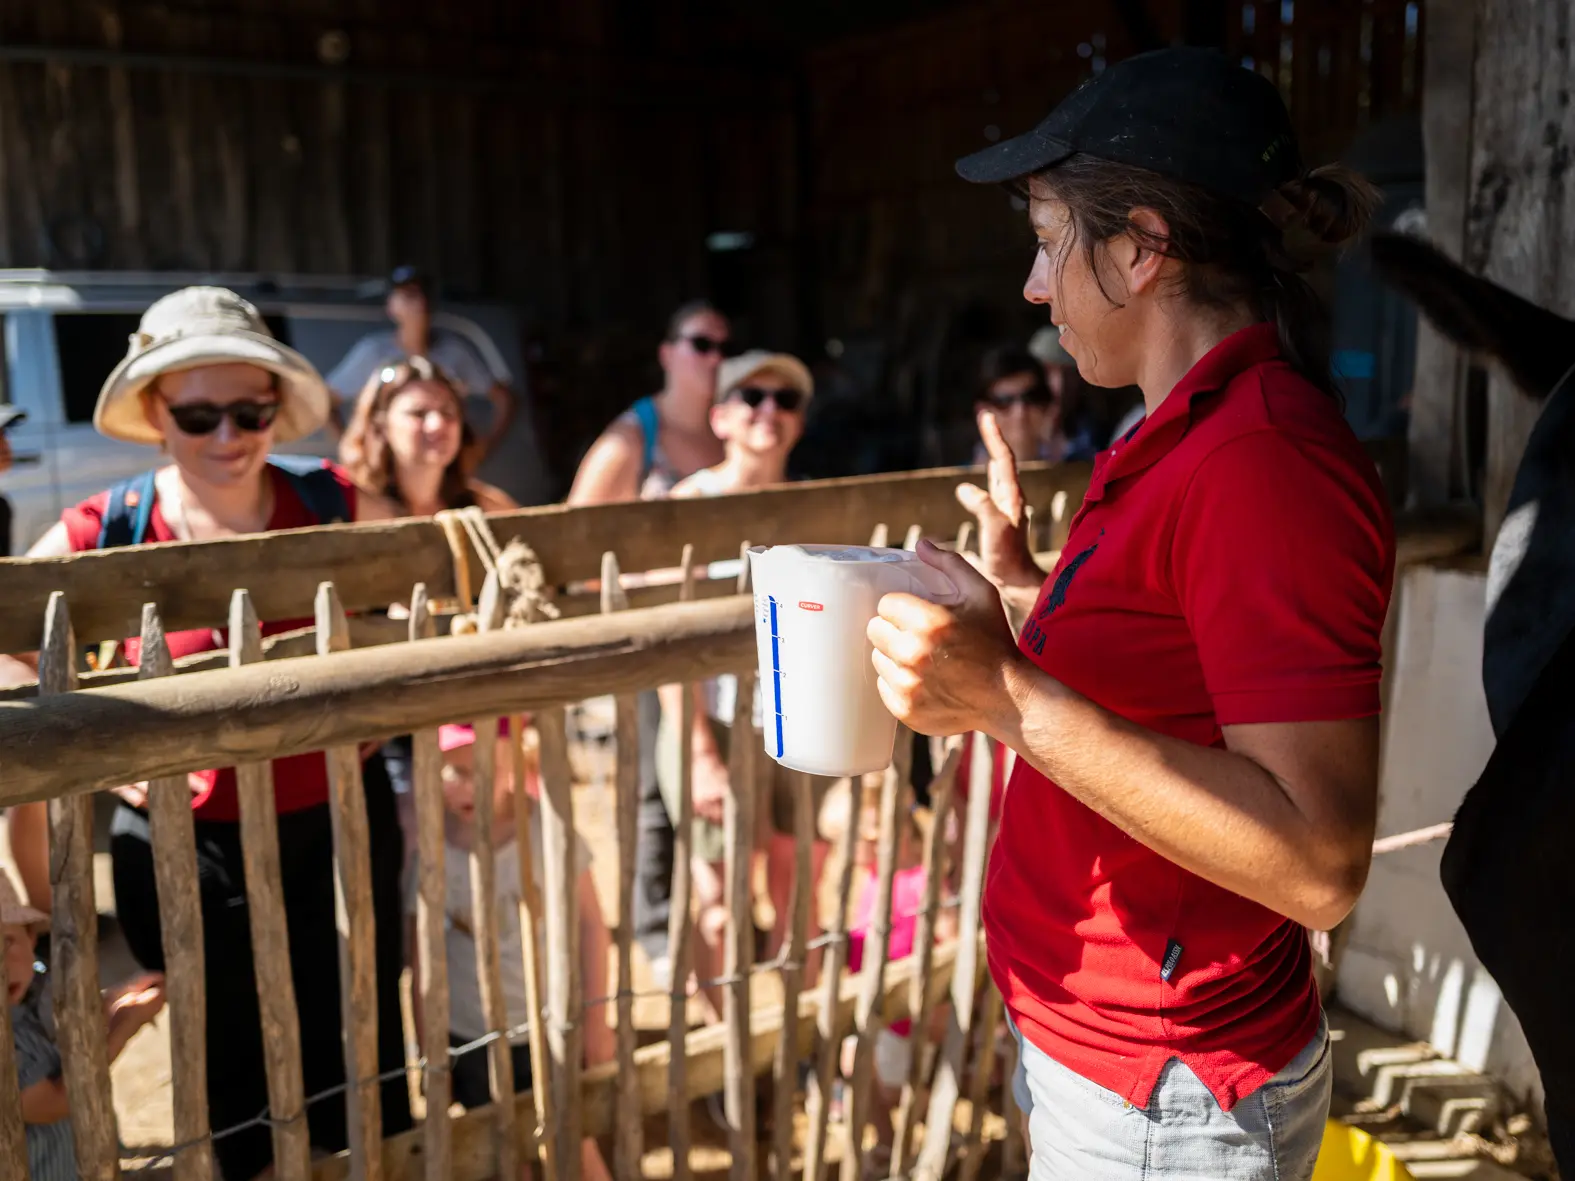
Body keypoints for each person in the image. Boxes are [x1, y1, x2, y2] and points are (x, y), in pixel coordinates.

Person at [867, 48, 1394, 1180]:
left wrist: (1005, 695)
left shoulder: (1261, 461)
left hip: (1170, 1098)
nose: (1033, 285)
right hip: (1118, 1063)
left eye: (1050, 238)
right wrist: (1022, 596)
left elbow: (1316, 863)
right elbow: (1177, 682)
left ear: (1143, 247)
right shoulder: (1182, 430)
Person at [0, 286, 412, 1181]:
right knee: (229, 1045)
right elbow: (5, 651)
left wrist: (389, 709)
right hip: (193, 843)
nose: (228, 436)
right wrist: (115, 766)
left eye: (249, 411)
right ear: (155, 414)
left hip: (340, 823)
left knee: (360, 1020)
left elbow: (430, 589)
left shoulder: (337, 500)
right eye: (198, 414)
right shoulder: (104, 528)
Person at [566, 301, 731, 981]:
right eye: (698, 342)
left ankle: (702, 914)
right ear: (667, 352)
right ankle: (654, 927)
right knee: (649, 790)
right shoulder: (631, 438)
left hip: (714, 637)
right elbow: (575, 536)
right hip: (650, 639)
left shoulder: (729, 430)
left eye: (723, 345)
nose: (712, 357)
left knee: (703, 774)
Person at [662, 350, 826, 1003]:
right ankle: (718, 1044)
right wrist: (698, 752)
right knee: (719, 896)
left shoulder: (814, 506)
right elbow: (667, 647)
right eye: (753, 397)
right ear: (720, 416)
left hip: (793, 719)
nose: (769, 412)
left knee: (796, 882)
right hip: (715, 722)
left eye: (785, 402)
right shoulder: (686, 505)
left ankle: (792, 1035)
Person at [409, 719, 612, 1181]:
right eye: (450, 769)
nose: (462, 783)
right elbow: (421, 955)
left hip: (549, 1027)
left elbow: (591, 924)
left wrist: (596, 1019)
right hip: (471, 1038)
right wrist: (429, 1048)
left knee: (573, 1144)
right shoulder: (431, 849)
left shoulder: (546, 831)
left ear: (516, 763)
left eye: (478, 767)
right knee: (505, 1155)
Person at [4, 868, 166, 1181]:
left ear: (30, 936)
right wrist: (125, 1025)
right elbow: (54, 1102)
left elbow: (64, 1021)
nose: (2, 964)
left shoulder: (38, 983)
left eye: (7, 941)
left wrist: (113, 1001)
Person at [325, 266, 516, 469]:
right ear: (391, 305)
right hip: (388, 469)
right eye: (408, 295)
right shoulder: (373, 353)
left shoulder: (455, 352)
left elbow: (505, 398)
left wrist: (481, 451)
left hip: (442, 469)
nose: (419, 302)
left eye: (423, 294)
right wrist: (353, 450)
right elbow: (326, 400)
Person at [339, 355, 517, 517]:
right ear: (382, 426)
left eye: (447, 412)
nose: (437, 425)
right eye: (418, 413)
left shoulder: (490, 509)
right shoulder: (354, 507)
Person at [973, 346, 1068, 465]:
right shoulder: (956, 480)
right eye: (1004, 401)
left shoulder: (1082, 470)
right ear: (981, 411)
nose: (1020, 412)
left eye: (1031, 397)